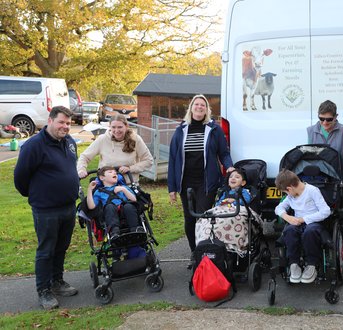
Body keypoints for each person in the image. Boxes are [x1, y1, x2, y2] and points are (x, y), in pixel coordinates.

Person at [14, 106, 79, 310]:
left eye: (68, 123)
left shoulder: (69, 142)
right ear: (50, 121)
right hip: (46, 210)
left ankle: (57, 281)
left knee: (61, 247)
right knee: (46, 250)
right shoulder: (34, 145)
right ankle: (44, 290)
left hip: (68, 206)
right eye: (61, 122)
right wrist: (37, 196)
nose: (65, 127)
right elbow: (20, 178)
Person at [168, 94, 234, 268]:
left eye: (202, 105)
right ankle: (194, 253)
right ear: (191, 108)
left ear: (206, 110)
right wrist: (172, 187)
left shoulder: (214, 129)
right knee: (189, 219)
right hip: (185, 183)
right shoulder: (181, 129)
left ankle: (204, 252)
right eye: (196, 104)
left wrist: (229, 167)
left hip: (206, 183)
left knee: (203, 218)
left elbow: (224, 153)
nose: (199, 107)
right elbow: (173, 158)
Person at [274, 169, 331, 284]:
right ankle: (294, 264)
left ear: (289, 188)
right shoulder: (290, 197)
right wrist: (287, 217)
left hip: (314, 223)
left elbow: (326, 211)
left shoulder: (312, 191)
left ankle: (312, 264)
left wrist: (304, 219)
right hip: (297, 223)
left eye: (286, 192)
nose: (286, 195)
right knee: (289, 230)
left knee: (309, 232)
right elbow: (278, 208)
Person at [77, 114, 153, 184]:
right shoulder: (102, 139)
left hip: (128, 185)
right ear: (109, 127)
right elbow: (85, 157)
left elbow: (148, 161)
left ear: (126, 126)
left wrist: (130, 168)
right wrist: (81, 169)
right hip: (106, 186)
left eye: (120, 127)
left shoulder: (135, 139)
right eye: (113, 127)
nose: (116, 131)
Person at [86, 166, 141, 240]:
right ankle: (114, 232)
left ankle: (135, 229)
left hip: (126, 212)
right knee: (109, 207)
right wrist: (90, 190)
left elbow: (134, 199)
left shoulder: (123, 187)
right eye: (110, 172)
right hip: (110, 214)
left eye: (115, 172)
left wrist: (123, 190)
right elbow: (91, 207)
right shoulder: (99, 192)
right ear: (102, 178)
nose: (114, 173)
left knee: (128, 206)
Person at [307, 100, 343, 166]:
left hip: (337, 175)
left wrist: (333, 159)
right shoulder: (311, 131)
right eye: (321, 118)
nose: (324, 122)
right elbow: (309, 156)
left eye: (329, 119)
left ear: (336, 117)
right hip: (317, 175)